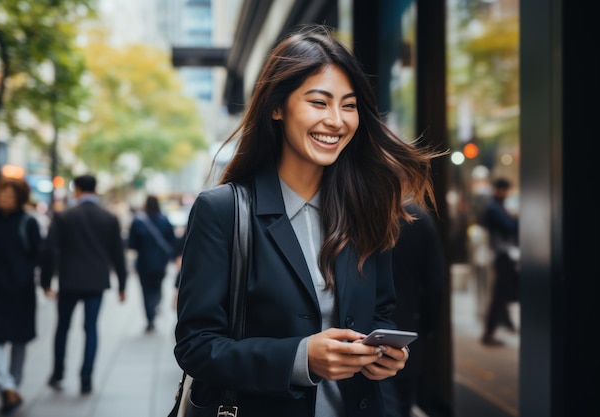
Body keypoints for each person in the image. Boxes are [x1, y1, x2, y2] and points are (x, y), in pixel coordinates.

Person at [174, 24, 443, 416]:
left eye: (348, 105)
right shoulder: (222, 211)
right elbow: (196, 347)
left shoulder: (369, 207)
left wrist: (384, 355)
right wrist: (301, 358)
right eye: (319, 102)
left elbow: (381, 313)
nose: (337, 120)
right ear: (277, 107)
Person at [40, 174, 128, 394]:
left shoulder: (64, 217)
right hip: (96, 282)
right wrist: (122, 285)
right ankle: (86, 378)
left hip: (69, 280)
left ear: (77, 190)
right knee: (91, 330)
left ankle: (58, 372)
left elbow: (50, 251)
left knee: (62, 328)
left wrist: (46, 281)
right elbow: (118, 254)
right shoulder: (108, 218)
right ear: (95, 190)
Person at [381, 203, 447, 417]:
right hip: (407, 329)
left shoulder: (360, 211)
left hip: (362, 331)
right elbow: (435, 284)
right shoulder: (419, 217)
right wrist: (429, 326)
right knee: (402, 404)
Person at [0, 177, 42, 414]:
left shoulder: (28, 222)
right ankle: (6, 385)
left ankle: (13, 385)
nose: (4, 199)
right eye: (2, 195)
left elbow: (38, 254)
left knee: (19, 339)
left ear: (19, 198)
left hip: (20, 291)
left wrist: (24, 275)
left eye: (9, 196)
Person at [128, 195, 177, 332]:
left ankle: (150, 317)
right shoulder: (165, 220)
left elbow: (132, 244)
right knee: (157, 286)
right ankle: (156, 303)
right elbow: (172, 240)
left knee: (145, 290)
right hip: (161, 262)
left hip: (144, 262)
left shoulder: (138, 222)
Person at [480, 177, 519, 346]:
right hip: (502, 255)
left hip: (503, 254)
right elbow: (510, 225)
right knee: (500, 294)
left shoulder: (497, 206)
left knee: (502, 293)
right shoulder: (494, 208)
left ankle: (502, 324)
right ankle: (490, 332)